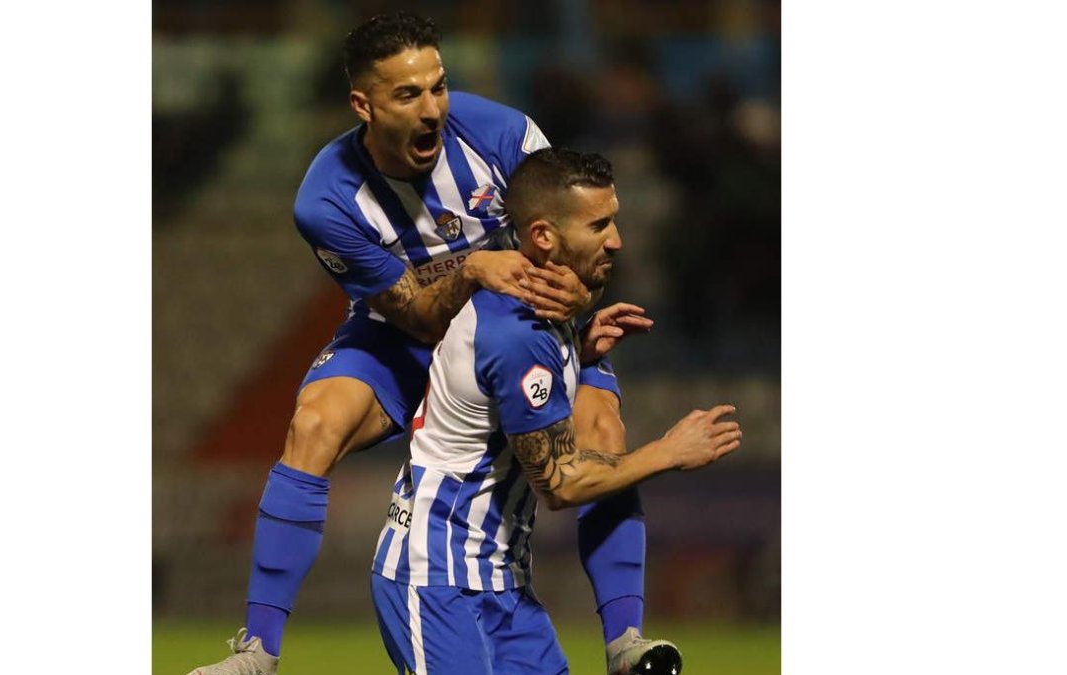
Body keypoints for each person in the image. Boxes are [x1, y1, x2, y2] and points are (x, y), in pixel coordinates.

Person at [188, 12, 665, 675]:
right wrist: (472, 267)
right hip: (405, 335)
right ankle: (259, 651)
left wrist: (579, 308)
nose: (433, 109)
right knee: (314, 422)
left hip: (517, 329)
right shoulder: (326, 199)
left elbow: (575, 236)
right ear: (364, 104)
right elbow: (413, 316)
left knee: (602, 427)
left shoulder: (503, 135)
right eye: (409, 95)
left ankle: (625, 642)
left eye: (438, 86)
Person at [370, 147, 742, 675]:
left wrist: (579, 350)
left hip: (503, 584)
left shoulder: (547, 304)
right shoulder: (517, 332)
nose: (616, 240)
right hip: (437, 581)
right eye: (599, 225)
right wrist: (668, 451)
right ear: (543, 236)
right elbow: (561, 483)